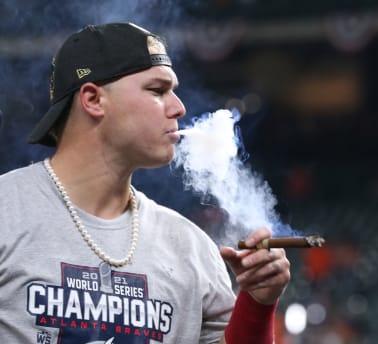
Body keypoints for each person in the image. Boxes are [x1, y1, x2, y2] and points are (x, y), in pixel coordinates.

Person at [0, 22, 290, 343]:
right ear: (94, 99)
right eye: (157, 90)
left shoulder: (191, 248)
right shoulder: (7, 213)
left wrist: (258, 303)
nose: (179, 107)